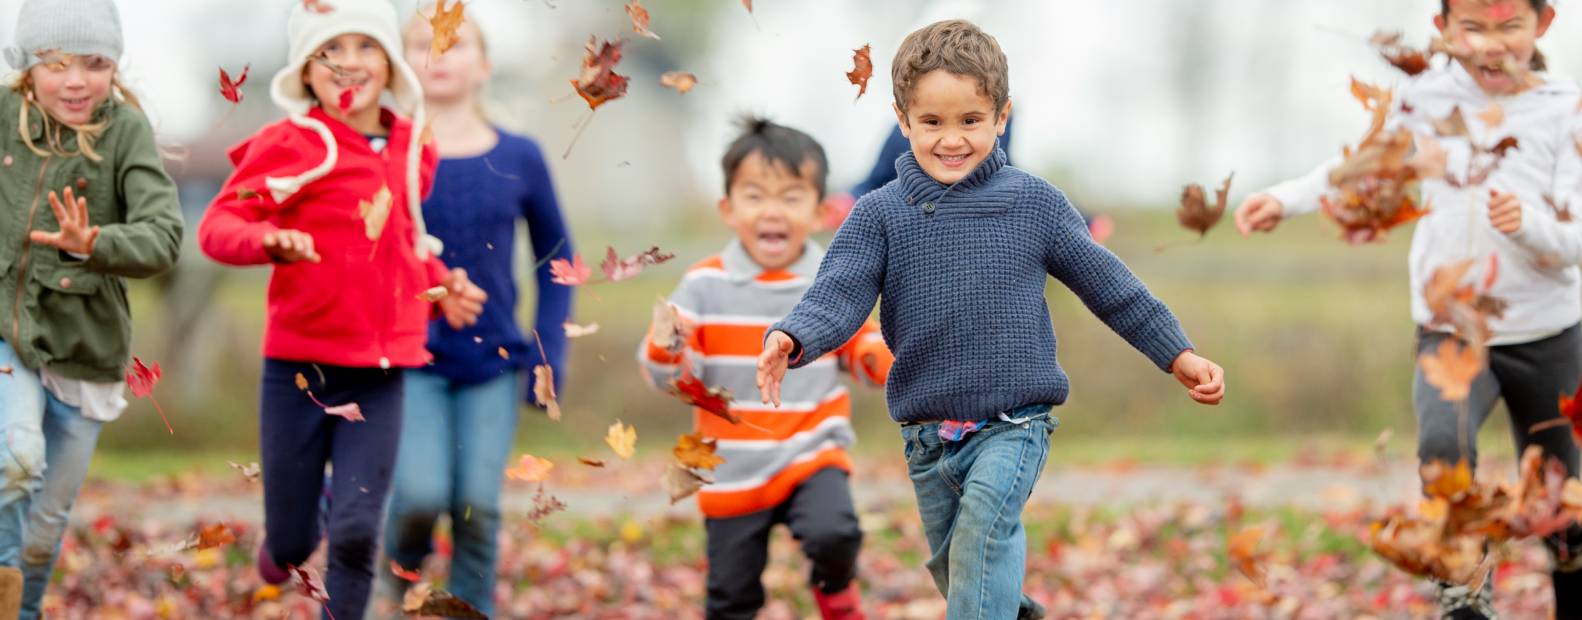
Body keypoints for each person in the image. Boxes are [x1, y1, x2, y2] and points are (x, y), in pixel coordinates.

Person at [757, 19, 1224, 620]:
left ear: (1001, 117)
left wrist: (1177, 353)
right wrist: (793, 336)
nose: (952, 140)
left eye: (970, 121)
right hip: (927, 438)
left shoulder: (1035, 204)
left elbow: (1112, 288)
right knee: (958, 569)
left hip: (1014, 424)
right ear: (903, 122)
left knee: (983, 537)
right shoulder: (879, 216)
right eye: (932, 122)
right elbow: (838, 292)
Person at [1234, 1, 1582, 616]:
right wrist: (1285, 199)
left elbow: (1574, 241)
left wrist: (1528, 226)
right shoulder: (1425, 96)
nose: (1489, 46)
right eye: (1472, 28)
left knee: (1565, 499)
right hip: (1449, 328)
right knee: (1443, 452)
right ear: (1443, 29)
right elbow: (1367, 165)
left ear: (1543, 25)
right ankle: (1464, 594)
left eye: (1510, 27)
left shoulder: (1563, 109)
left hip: (1547, 333)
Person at [197, 1, 484, 617]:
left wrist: (441, 285)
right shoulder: (290, 144)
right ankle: (285, 543)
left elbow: (404, 243)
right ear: (305, 70)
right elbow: (219, 224)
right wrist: (265, 241)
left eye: (366, 47)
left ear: (389, 65)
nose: (349, 63)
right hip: (299, 371)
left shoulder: (411, 148)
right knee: (297, 538)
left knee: (356, 534)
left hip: (381, 374)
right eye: (331, 50)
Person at [639, 117, 892, 619]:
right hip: (732, 463)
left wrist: (882, 357)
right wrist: (667, 349)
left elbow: (864, 352)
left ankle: (835, 585)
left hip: (810, 447)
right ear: (729, 209)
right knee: (732, 597)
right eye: (755, 196)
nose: (772, 211)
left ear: (821, 210)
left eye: (791, 197)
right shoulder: (702, 285)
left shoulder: (833, 279)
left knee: (835, 532)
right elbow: (672, 381)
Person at [373, 8, 573, 617]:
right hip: (409, 360)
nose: (438, 53)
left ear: (483, 66)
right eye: (421, 43)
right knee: (419, 497)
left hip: (494, 361)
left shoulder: (521, 155)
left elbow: (558, 257)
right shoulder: (382, 154)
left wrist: (548, 355)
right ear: (398, 64)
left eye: (454, 44)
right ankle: (392, 577)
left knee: (477, 508)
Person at [0, 0, 183, 616]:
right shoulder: (3, 119)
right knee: (16, 459)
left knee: (46, 522)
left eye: (94, 63)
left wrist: (97, 243)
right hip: (6, 328)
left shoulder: (125, 130)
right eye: (55, 63)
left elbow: (163, 235)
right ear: (27, 66)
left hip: (85, 345)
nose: (75, 80)